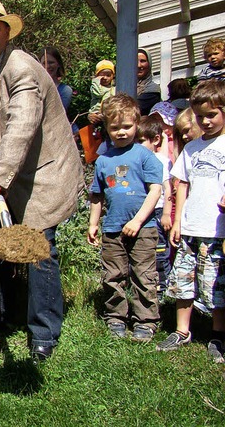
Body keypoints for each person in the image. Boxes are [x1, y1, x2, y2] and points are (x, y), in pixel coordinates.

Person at [0, 0, 84, 363]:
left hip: (44, 174)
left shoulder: (22, 69)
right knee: (1, 244)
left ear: (7, 32)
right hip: (16, 173)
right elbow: (0, 123)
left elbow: (22, 125)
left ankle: (44, 332)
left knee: (40, 251)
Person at [156, 80, 225, 362]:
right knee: (183, 281)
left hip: (217, 229)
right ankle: (182, 330)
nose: (205, 121)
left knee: (215, 285)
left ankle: (218, 333)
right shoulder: (192, 148)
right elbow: (181, 184)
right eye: (200, 116)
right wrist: (179, 221)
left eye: (212, 115)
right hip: (191, 227)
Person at [88, 94, 162, 341]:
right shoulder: (103, 161)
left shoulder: (143, 155)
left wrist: (138, 220)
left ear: (137, 124)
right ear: (107, 128)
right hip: (112, 227)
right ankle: (116, 317)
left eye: (127, 127)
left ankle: (146, 320)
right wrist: (93, 224)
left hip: (144, 227)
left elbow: (155, 190)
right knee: (114, 274)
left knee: (144, 274)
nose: (121, 132)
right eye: (115, 127)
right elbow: (97, 196)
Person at [137, 116, 173, 299]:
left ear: (156, 139)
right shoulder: (135, 157)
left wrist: (167, 213)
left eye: (141, 141)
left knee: (160, 252)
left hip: (158, 212)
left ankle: (163, 288)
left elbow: (168, 188)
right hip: (140, 211)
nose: (138, 145)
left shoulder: (160, 160)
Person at [39, 46, 73, 112]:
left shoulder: (65, 90)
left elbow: (56, 112)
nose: (48, 66)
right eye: (44, 63)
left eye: (51, 62)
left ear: (58, 64)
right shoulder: (34, 87)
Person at [137, 48, 161, 114]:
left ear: (149, 64)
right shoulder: (125, 85)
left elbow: (133, 109)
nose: (139, 65)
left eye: (143, 61)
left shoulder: (153, 89)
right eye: (135, 61)